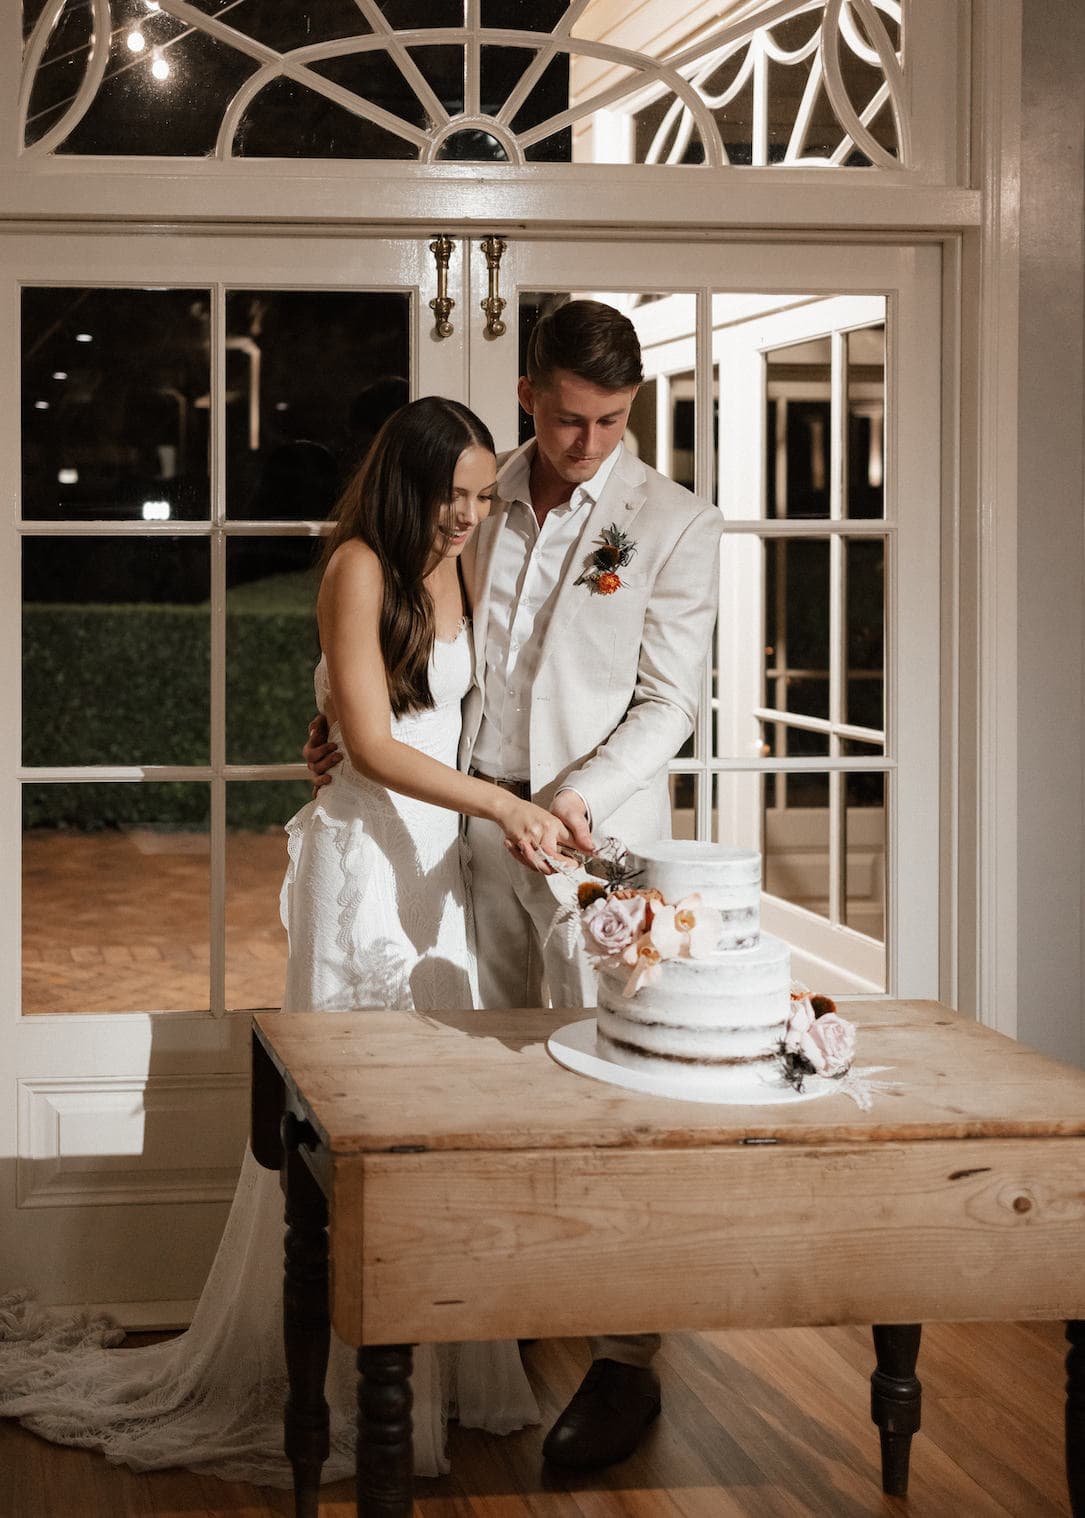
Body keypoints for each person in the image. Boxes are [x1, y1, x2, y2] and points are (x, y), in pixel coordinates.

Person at [0, 396, 571, 1486]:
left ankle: (436, 1371)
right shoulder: (357, 564)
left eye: (476, 496)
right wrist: (498, 807)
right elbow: (367, 739)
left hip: (433, 875)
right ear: (402, 483)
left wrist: (494, 809)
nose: (464, 516)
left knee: (426, 1131)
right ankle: (334, 1383)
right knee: (339, 1135)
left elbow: (430, 721)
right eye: (448, 496)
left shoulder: (447, 568)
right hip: (362, 879)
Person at [306, 300, 725, 1471]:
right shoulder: (474, 494)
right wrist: (350, 726)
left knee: (611, 1086)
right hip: (454, 831)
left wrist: (575, 799)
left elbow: (668, 702)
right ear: (529, 390)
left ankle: (626, 1359)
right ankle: (514, 1309)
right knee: (485, 1085)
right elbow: (411, 636)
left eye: (610, 421)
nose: (585, 443)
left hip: (585, 841)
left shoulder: (674, 524)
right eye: (565, 417)